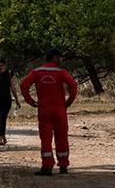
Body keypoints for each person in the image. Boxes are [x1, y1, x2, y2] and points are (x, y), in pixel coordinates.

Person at [20, 48, 78, 176]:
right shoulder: (61, 72)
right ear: (54, 57)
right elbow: (73, 85)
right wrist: (70, 100)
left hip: (44, 109)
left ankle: (47, 167)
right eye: (59, 57)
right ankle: (63, 166)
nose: (60, 60)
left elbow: (23, 85)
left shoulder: (36, 72)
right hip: (60, 109)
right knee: (62, 137)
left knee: (45, 138)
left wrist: (30, 100)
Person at [0, 60, 21, 145]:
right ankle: (3, 136)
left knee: (3, 117)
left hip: (6, 99)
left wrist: (17, 100)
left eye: (1, 65)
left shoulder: (9, 74)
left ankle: (0, 137)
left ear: (5, 66)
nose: (0, 67)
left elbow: (13, 88)